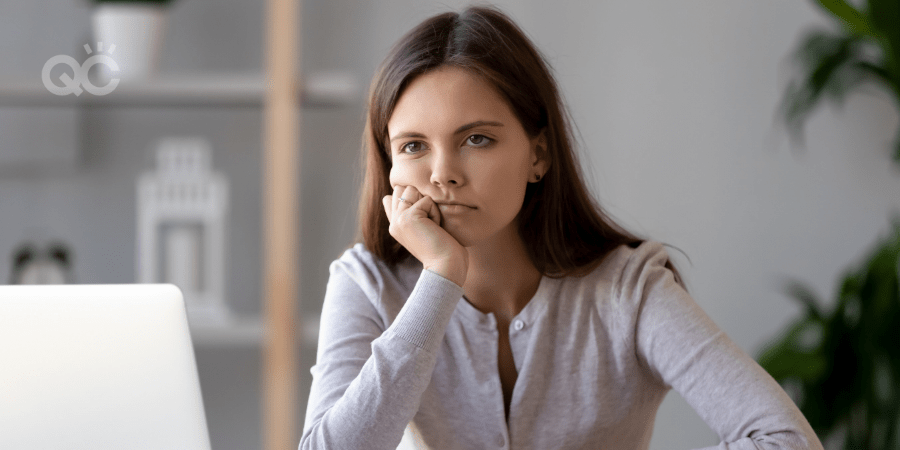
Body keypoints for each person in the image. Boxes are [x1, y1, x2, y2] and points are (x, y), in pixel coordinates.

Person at [300, 5, 823, 450]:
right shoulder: (367, 283)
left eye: (477, 139)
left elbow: (787, 439)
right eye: (413, 146)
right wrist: (440, 279)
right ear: (389, 166)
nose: (442, 174)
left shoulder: (628, 289)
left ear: (539, 154)